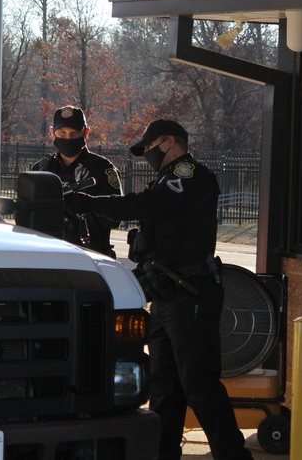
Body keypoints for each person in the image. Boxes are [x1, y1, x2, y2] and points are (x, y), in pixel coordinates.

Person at [65, 119, 252, 460]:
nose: (147, 156)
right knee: (165, 388)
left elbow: (146, 205)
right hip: (167, 296)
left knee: (199, 384)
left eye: (150, 149)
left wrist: (91, 202)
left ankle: (233, 456)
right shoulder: (166, 180)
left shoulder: (190, 176)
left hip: (191, 293)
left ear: (169, 142)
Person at [31, 106, 121, 257]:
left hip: (90, 255)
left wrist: (85, 208)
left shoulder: (102, 169)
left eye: (74, 133)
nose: (68, 138)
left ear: (86, 133)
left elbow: (115, 217)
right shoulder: (40, 170)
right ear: (52, 133)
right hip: (48, 253)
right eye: (62, 133)